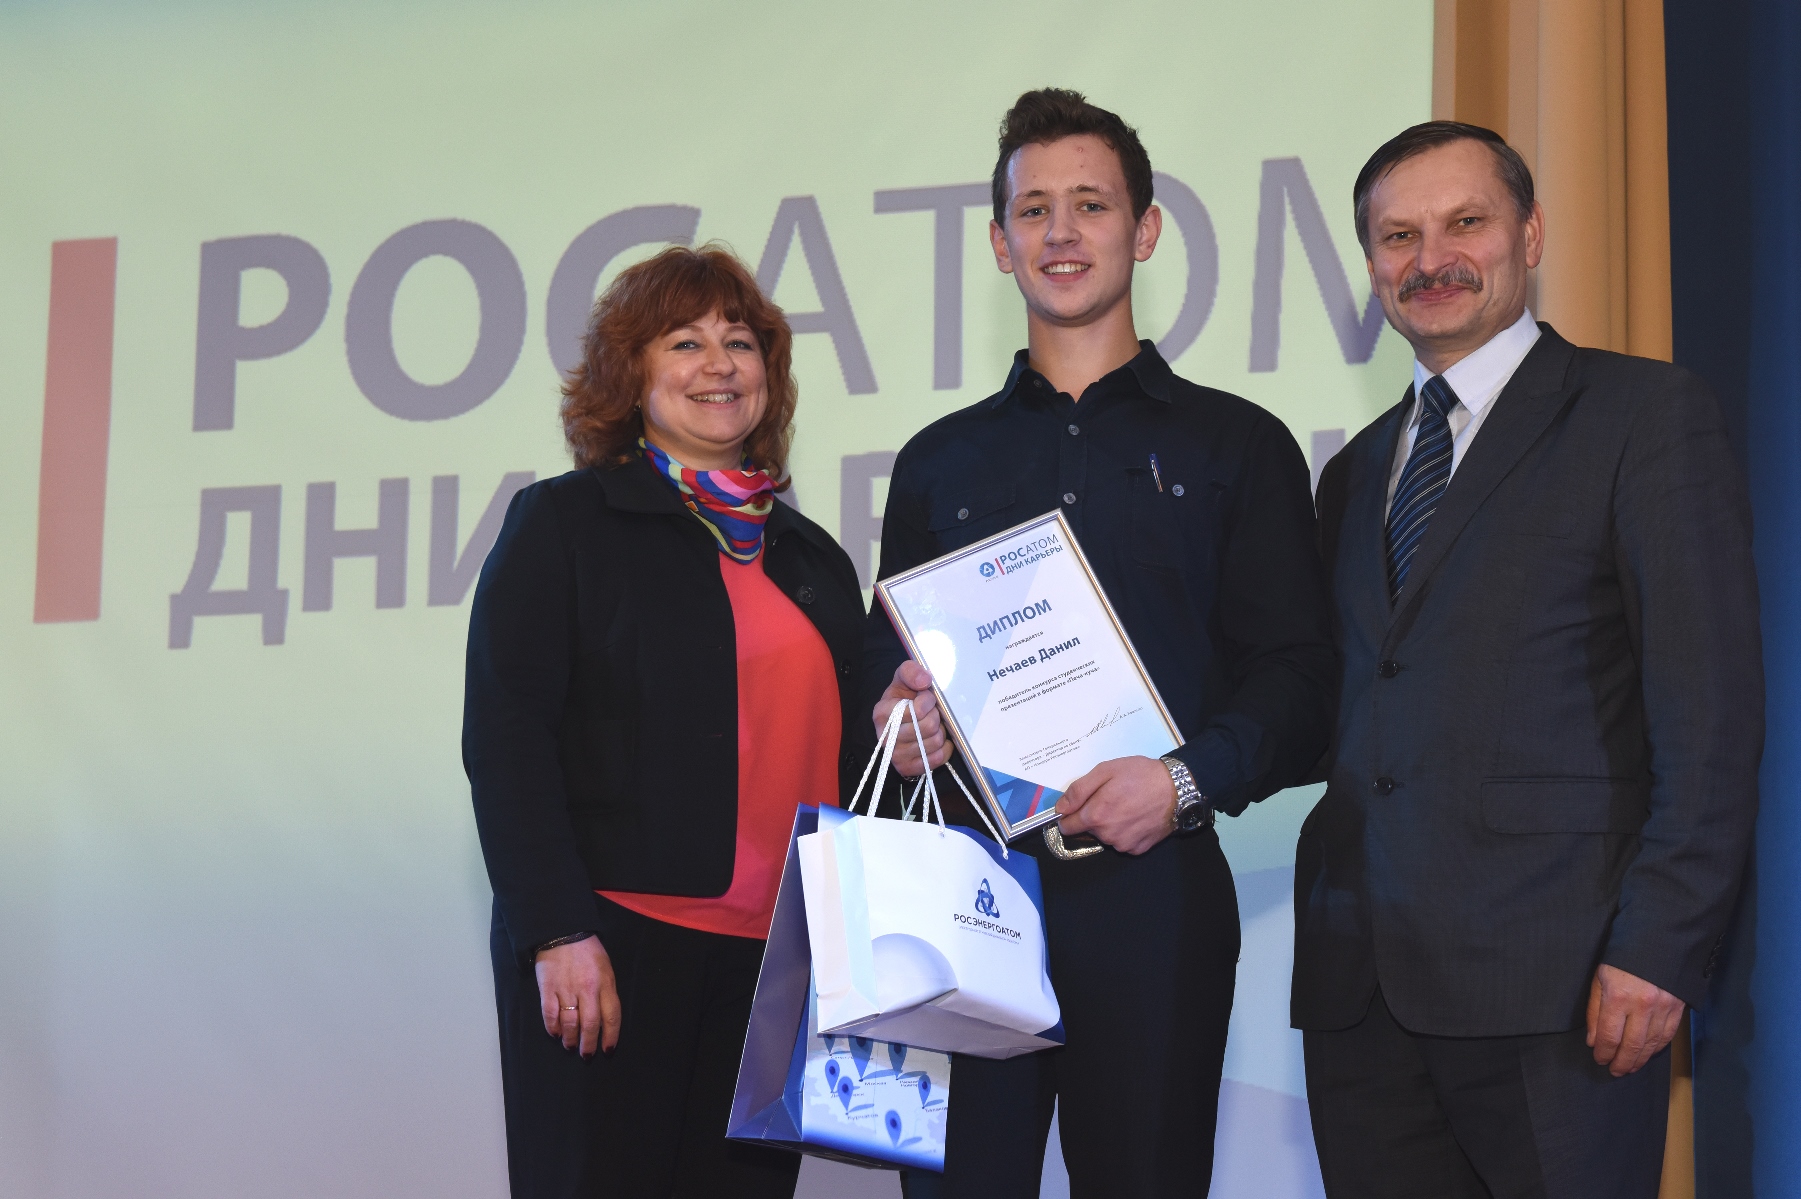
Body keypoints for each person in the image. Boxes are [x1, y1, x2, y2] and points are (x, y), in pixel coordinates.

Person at [867, 88, 1337, 1198]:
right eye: (1033, 209)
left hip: (1155, 894)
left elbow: (1302, 681)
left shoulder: (1237, 444)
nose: (1060, 232)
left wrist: (1180, 781)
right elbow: (884, 668)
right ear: (999, 243)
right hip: (972, 893)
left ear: (1145, 228)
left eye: (1090, 203)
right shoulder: (937, 462)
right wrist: (898, 718)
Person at [1295, 121, 1763, 1199]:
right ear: (1370, 265)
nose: (1430, 259)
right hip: (1360, 994)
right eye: (1397, 237)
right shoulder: (1353, 473)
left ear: (1531, 234)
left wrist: (1658, 946)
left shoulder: (1644, 416)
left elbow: (1709, 715)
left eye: (1464, 222)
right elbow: (1336, 706)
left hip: (1564, 987)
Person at [462, 245, 870, 1199]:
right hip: (616, 946)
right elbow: (508, 739)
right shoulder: (564, 523)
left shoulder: (812, 558)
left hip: (778, 965)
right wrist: (556, 929)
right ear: (631, 373)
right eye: (684, 342)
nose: (719, 364)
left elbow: (850, 754)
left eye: (741, 343)